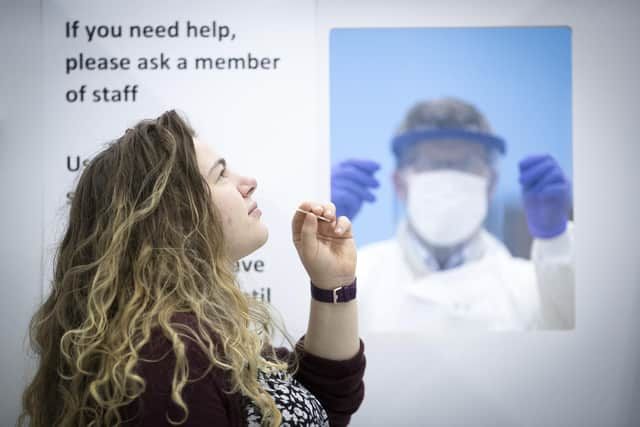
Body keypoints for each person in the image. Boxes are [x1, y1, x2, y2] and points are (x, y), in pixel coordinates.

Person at [19, 111, 365, 426]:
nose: (249, 182)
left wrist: (333, 283)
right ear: (172, 216)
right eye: (221, 176)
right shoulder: (165, 357)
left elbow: (321, 404)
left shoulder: (196, 334)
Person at [331, 97, 574, 332]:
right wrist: (320, 235)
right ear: (400, 184)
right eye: (432, 164)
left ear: (491, 183)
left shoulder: (532, 288)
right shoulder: (355, 280)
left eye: (465, 164)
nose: (448, 177)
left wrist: (555, 241)